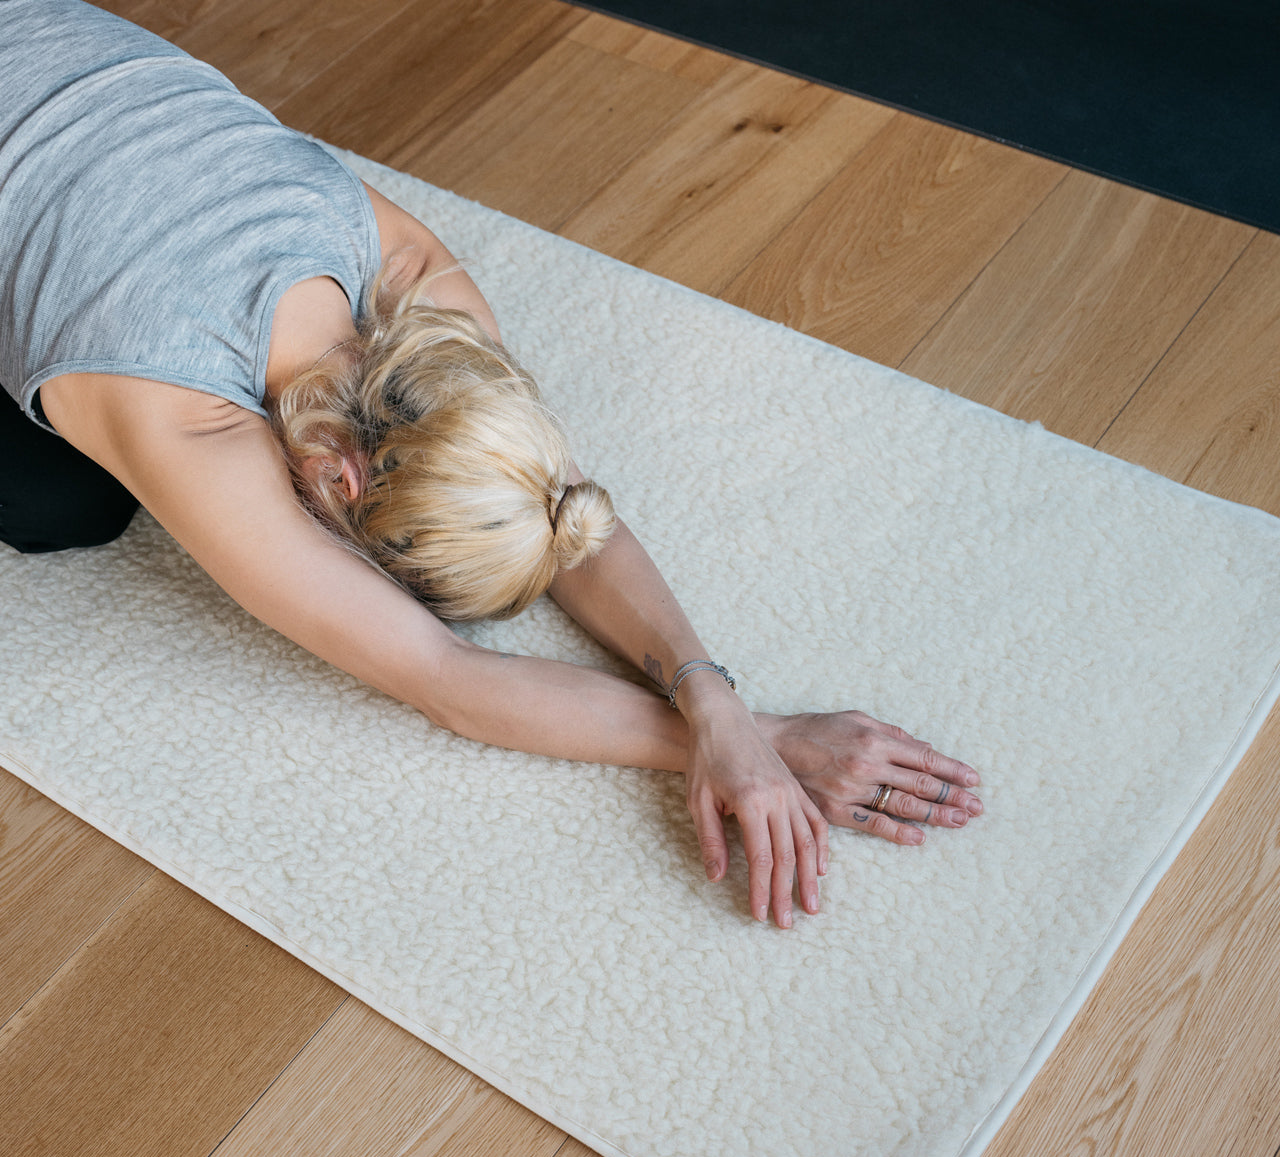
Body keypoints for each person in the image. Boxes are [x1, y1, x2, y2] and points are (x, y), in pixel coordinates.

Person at [0, 0, 982, 928]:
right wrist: (772, 741)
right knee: (67, 502)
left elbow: (560, 511)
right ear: (340, 483)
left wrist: (716, 701)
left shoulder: (401, 280)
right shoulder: (171, 402)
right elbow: (447, 678)